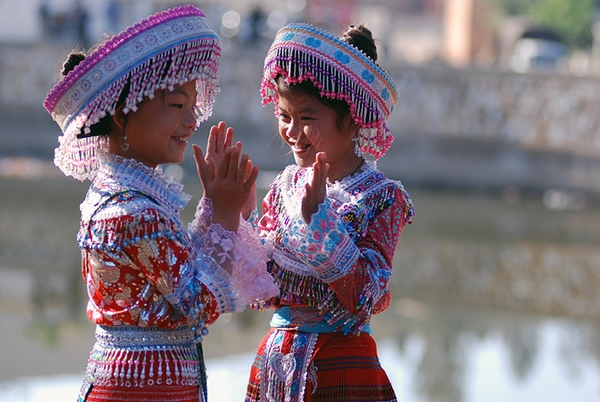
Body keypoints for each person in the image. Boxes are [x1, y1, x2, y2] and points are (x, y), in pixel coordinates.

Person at [42, 5, 278, 402]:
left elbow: (177, 274)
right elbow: (195, 304)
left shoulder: (126, 197)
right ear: (121, 115)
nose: (191, 121)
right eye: (175, 105)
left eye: (191, 107)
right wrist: (222, 215)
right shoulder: (130, 211)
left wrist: (224, 212)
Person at [244, 23, 415, 401]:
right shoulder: (282, 188)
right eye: (284, 116)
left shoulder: (382, 198)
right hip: (274, 366)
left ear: (353, 119)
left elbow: (366, 294)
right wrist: (235, 220)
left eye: (307, 118)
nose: (292, 131)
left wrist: (319, 223)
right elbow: (257, 292)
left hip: (341, 370)